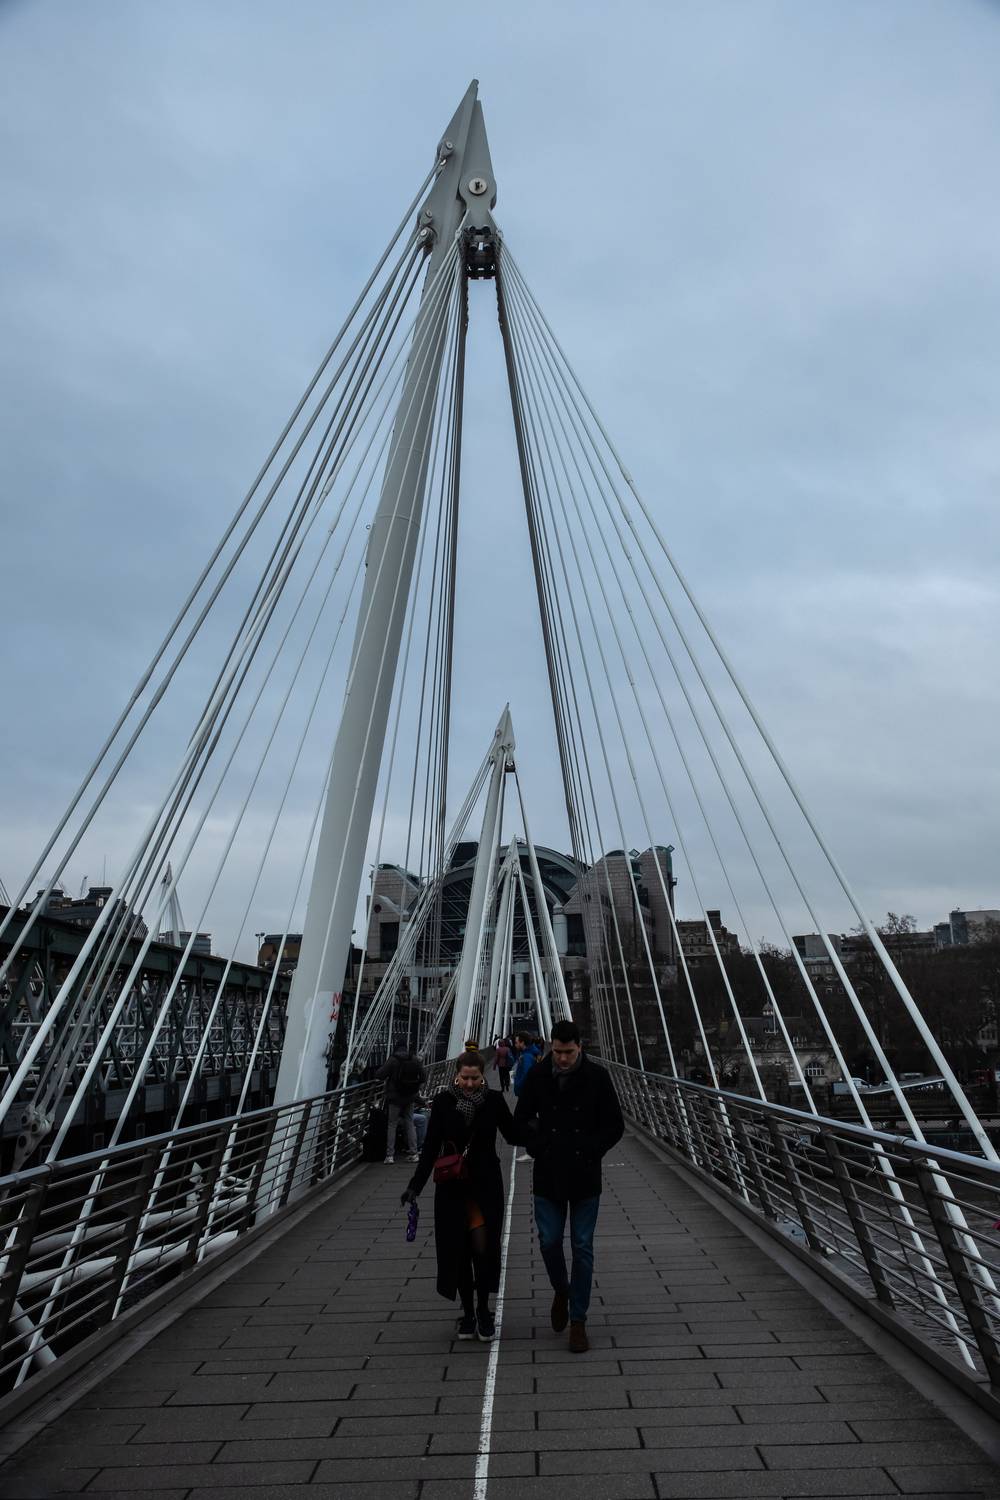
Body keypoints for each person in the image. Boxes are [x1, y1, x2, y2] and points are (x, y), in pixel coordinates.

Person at [514, 1018, 624, 1355]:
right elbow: (520, 1121)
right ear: (552, 1047)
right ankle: (562, 1290)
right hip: (548, 1172)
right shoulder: (538, 1076)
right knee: (548, 1242)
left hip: (584, 1173)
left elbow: (615, 1125)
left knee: (581, 1245)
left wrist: (591, 1149)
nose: (563, 1059)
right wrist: (538, 1144)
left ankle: (578, 1320)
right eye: (558, 1052)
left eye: (569, 1052)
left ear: (580, 1047)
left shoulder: (597, 1078)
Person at [401, 1049, 520, 1342]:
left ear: (483, 1075)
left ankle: (482, 1310)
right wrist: (415, 1186)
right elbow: (430, 1148)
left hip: (485, 1187)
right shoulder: (443, 1103)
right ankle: (467, 1313)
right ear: (457, 1075)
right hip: (452, 1189)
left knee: (482, 1249)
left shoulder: (492, 1101)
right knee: (458, 1251)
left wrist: (544, 1130)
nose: (469, 1083)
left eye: (475, 1078)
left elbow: (513, 1133)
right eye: (465, 1078)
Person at [377, 1042, 426, 1165]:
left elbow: (380, 1075)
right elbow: (423, 1076)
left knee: (392, 1124)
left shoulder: (393, 1059)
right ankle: (414, 1153)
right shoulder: (414, 1058)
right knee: (409, 1122)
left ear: (396, 1048)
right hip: (409, 1097)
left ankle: (390, 1156)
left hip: (395, 1098)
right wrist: (415, 1089)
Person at [512, 1033, 541, 1162]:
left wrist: (518, 1084)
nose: (515, 1044)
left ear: (523, 1043)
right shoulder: (528, 1055)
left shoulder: (527, 1057)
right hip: (528, 1093)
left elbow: (527, 1075)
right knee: (526, 1119)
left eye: (517, 1042)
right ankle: (533, 1148)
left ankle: (533, 1150)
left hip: (527, 1094)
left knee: (522, 1119)